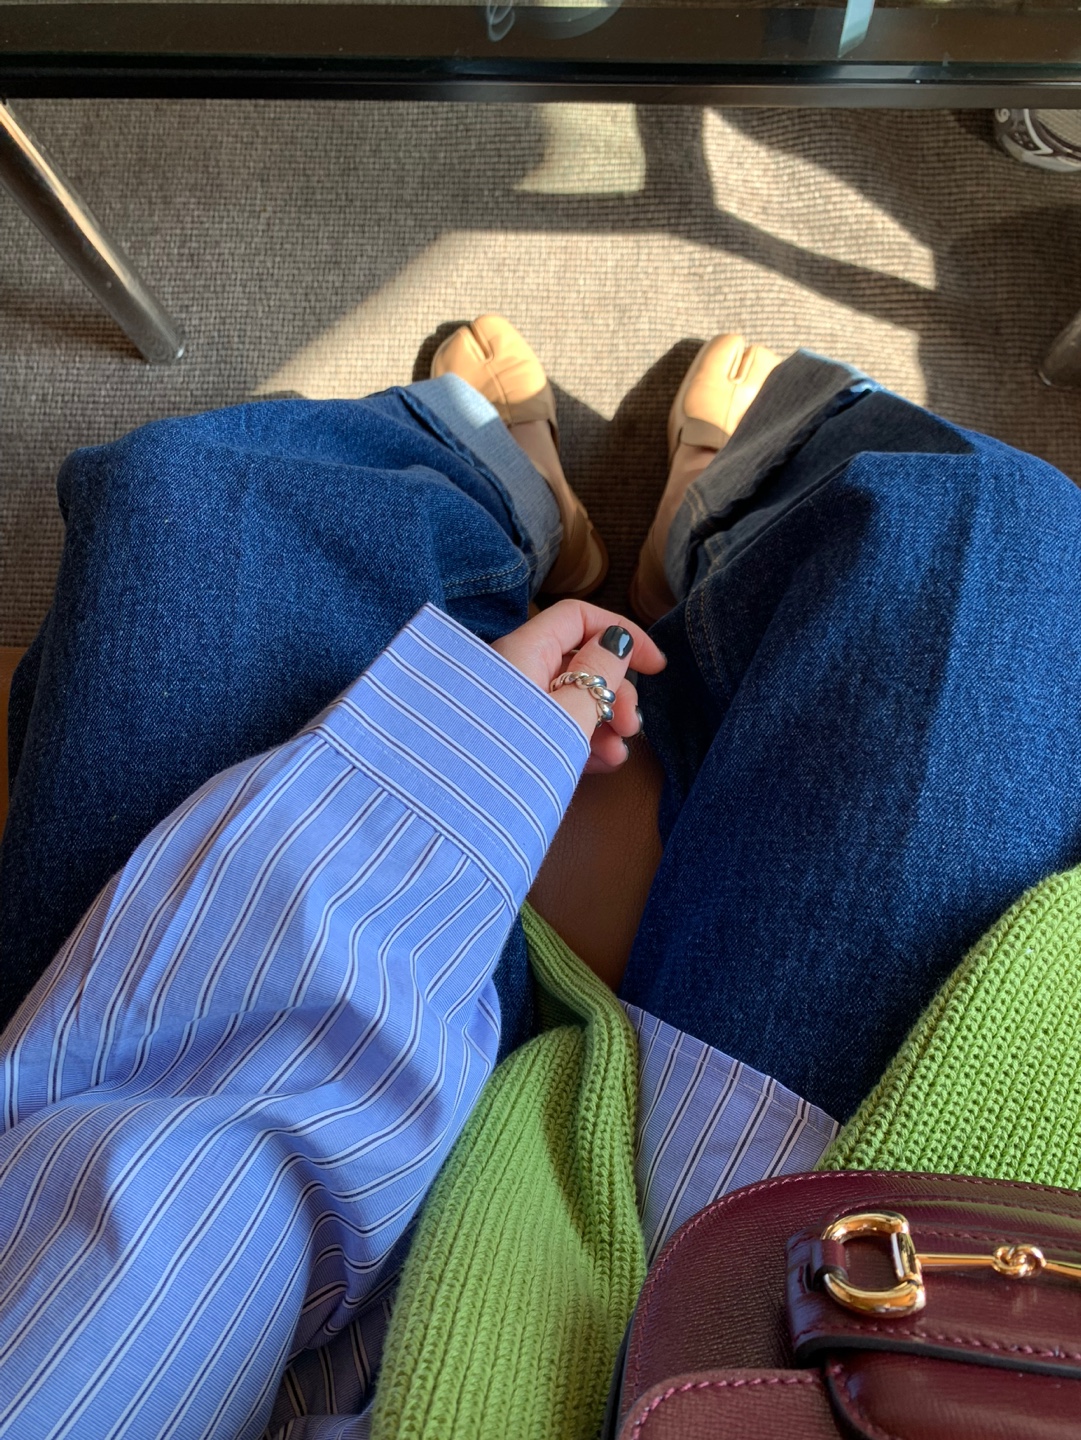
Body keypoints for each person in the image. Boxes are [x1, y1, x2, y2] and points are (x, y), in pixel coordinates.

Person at [2, 314, 1081, 1439]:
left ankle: (502, 498)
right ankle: (724, 527)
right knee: (986, 526)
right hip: (830, 1271)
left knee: (198, 506)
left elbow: (153, 1246)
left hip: (272, 1288)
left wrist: (450, 767)